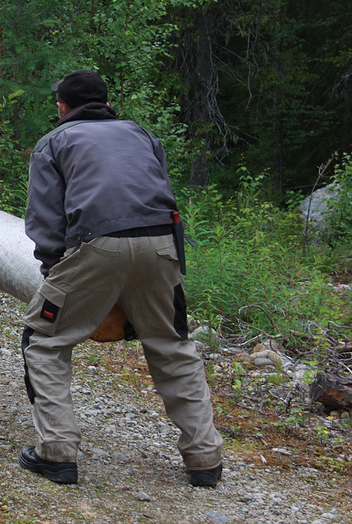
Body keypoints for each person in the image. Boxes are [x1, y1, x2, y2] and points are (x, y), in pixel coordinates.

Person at [19, 69, 224, 487]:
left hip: (98, 243)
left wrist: (54, 278)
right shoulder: (142, 134)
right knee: (173, 347)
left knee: (44, 339)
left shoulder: (54, 142)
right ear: (107, 102)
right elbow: (158, 190)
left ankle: (56, 452)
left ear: (62, 106)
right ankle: (205, 459)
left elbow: (45, 220)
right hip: (162, 244)